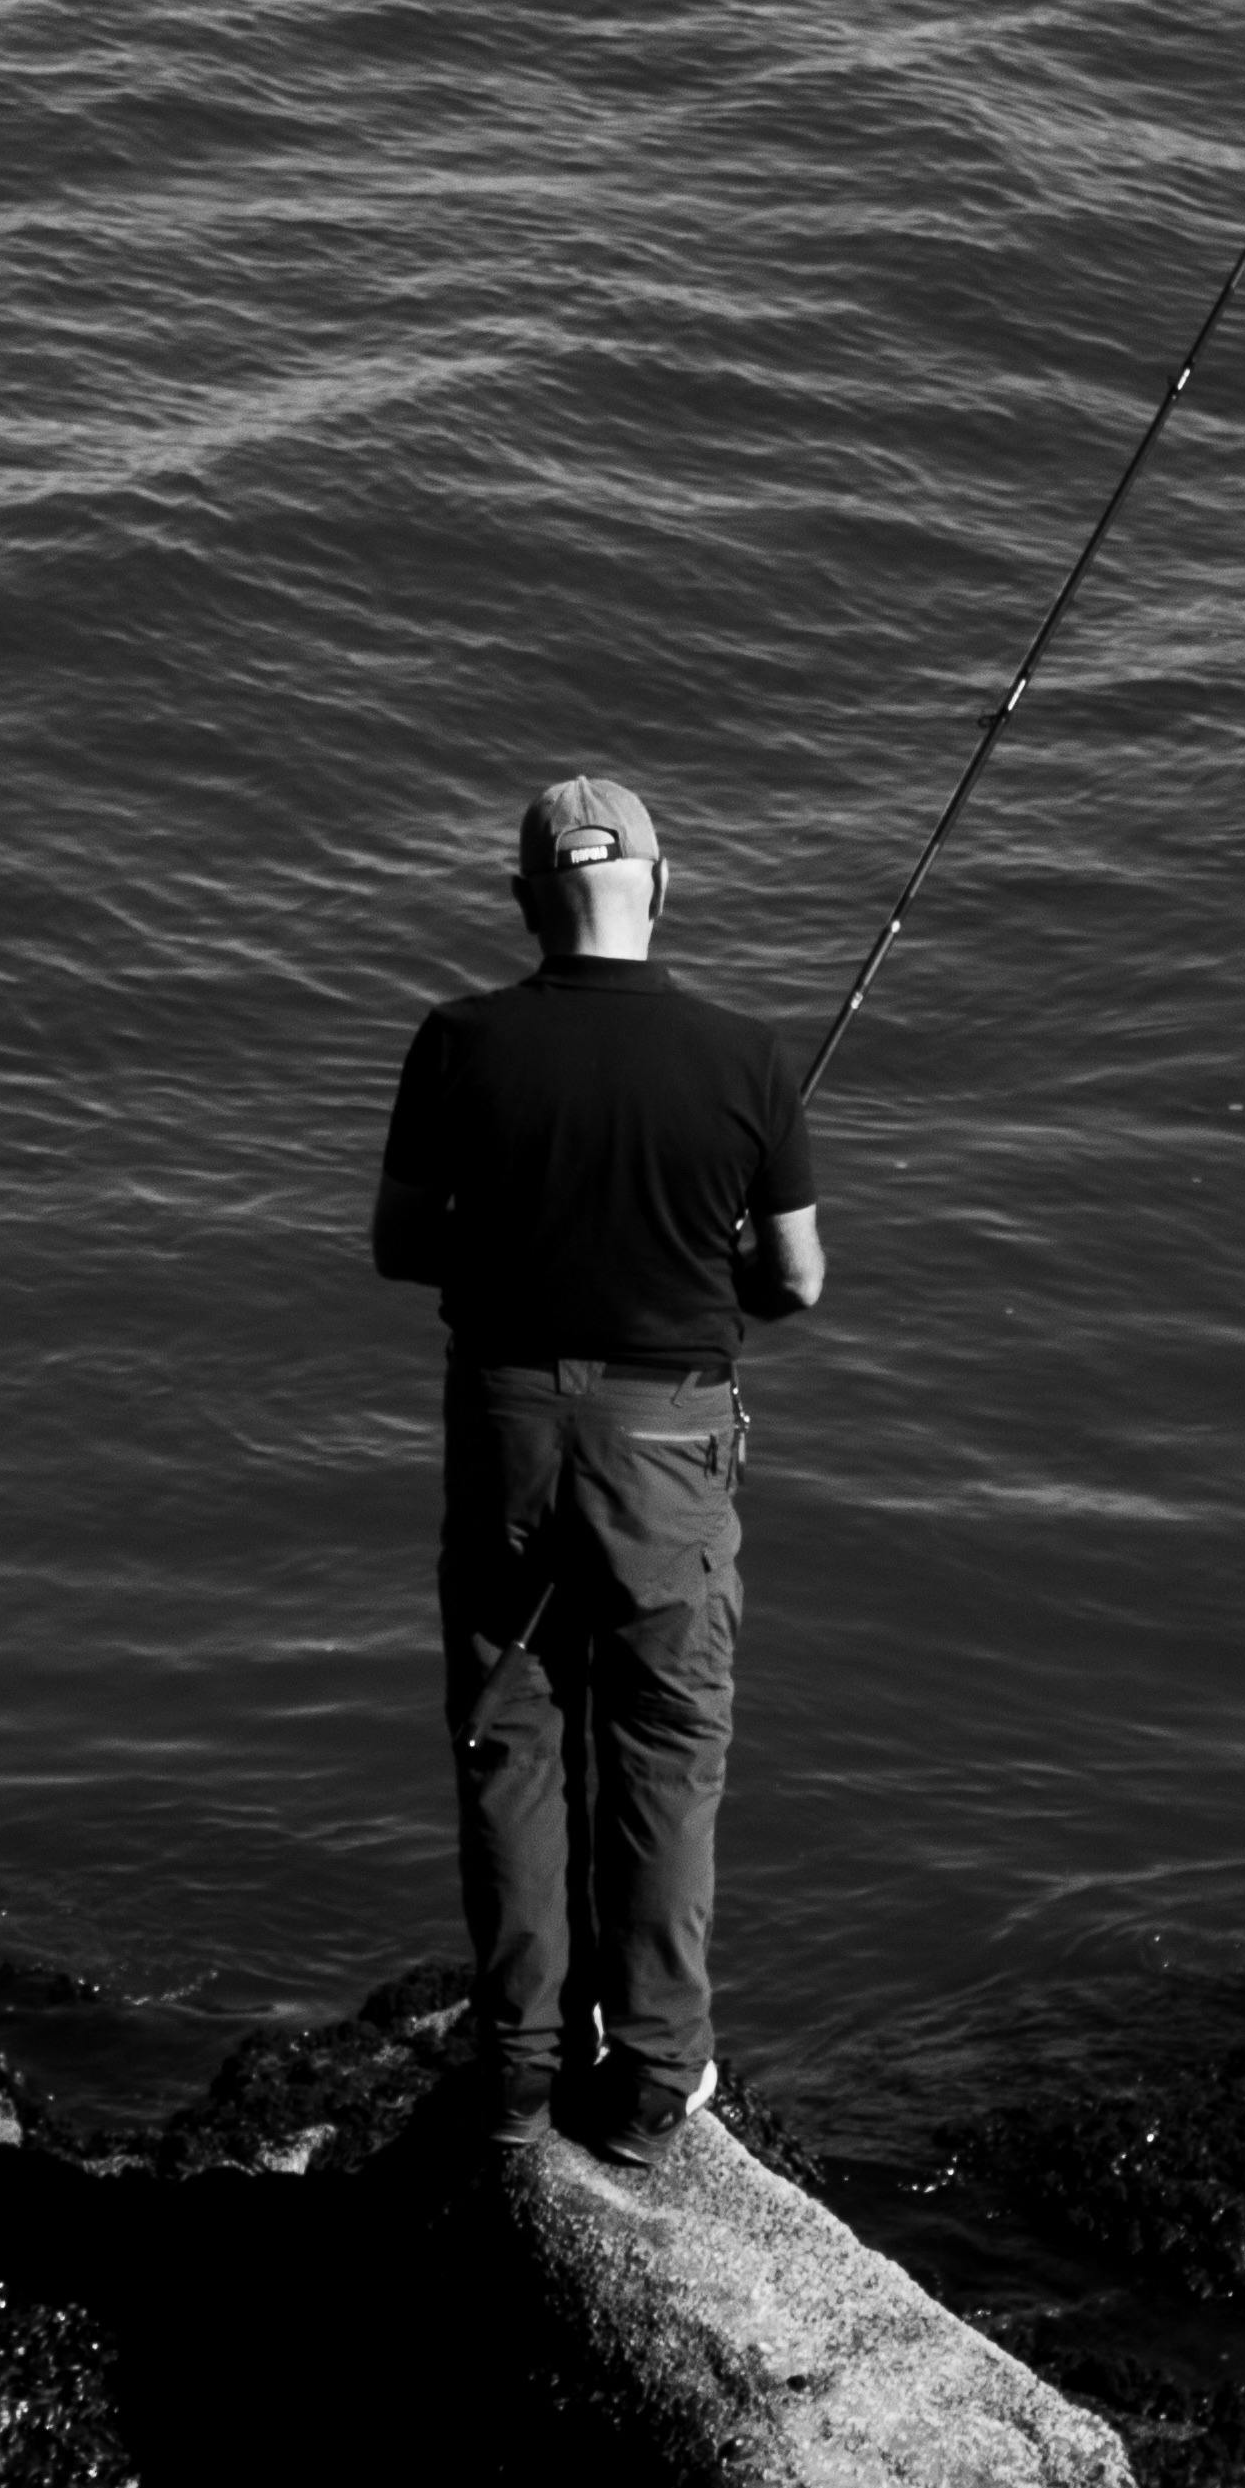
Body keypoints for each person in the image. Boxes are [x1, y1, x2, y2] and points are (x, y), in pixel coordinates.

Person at [371, 771, 828, 2163]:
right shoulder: (750, 1059)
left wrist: (518, 1257)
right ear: (662, 884)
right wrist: (716, 1260)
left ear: (526, 901)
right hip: (669, 1439)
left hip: (507, 1422)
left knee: (510, 1733)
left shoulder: (457, 1043)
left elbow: (401, 1242)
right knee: (665, 1745)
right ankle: (649, 2074)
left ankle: (515, 2064)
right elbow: (796, 1281)